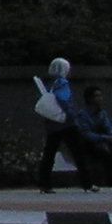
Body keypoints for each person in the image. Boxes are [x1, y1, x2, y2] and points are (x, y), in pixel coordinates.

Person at [35, 57, 101, 193]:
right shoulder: (63, 83)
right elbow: (64, 100)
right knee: (78, 153)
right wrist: (71, 114)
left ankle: (44, 183)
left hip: (53, 124)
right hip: (67, 124)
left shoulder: (50, 84)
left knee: (49, 153)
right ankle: (87, 183)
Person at [72, 86, 112, 187]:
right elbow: (86, 133)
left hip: (103, 141)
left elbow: (108, 128)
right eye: (96, 96)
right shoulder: (83, 115)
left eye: (100, 96)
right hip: (89, 142)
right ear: (89, 99)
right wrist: (104, 138)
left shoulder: (102, 113)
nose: (100, 98)